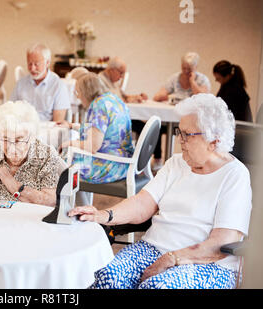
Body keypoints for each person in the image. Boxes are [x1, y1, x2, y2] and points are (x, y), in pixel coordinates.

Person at [68, 93, 252, 289]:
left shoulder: (235, 175)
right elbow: (142, 203)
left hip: (208, 264)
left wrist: (172, 258)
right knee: (109, 276)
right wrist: (103, 214)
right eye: (179, 132)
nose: (179, 141)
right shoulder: (176, 164)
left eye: (187, 135)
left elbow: (221, 243)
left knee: (158, 286)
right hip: (153, 248)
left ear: (214, 140)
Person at [0, 100, 62, 206]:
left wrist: (11, 182)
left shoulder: (46, 156)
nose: (11, 149)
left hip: (27, 220)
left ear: (32, 137)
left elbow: (51, 201)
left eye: (18, 140)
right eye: (5, 139)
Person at [59, 73, 134, 184]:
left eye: (78, 92)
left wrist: (70, 143)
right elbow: (100, 131)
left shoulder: (98, 105)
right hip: (124, 162)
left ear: (86, 91)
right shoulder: (112, 99)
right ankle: (77, 199)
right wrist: (72, 126)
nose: (78, 97)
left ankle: (63, 200)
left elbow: (93, 146)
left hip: (110, 165)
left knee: (59, 162)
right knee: (67, 160)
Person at [150, 52, 211, 170]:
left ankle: (193, 161)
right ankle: (158, 159)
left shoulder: (202, 80)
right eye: (184, 68)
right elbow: (158, 96)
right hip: (173, 118)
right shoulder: (175, 78)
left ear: (196, 67)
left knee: (191, 134)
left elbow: (204, 98)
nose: (186, 71)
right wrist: (165, 95)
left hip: (193, 123)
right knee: (156, 126)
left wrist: (192, 82)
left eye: (189, 69)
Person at [10, 43, 71, 122]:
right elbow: (10, 109)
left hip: (46, 131)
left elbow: (58, 123)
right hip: (21, 131)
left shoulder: (58, 86)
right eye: (29, 64)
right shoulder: (21, 83)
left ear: (47, 63)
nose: (32, 68)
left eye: (36, 64)